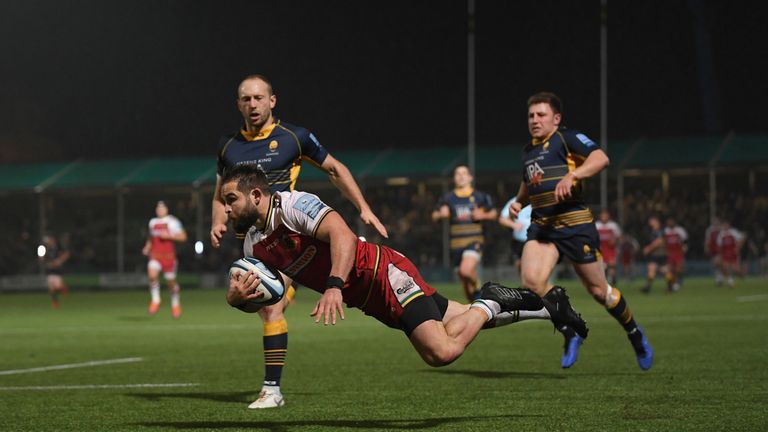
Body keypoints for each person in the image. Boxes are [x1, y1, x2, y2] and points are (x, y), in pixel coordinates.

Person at [220, 163, 588, 372]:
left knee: (440, 351)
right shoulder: (254, 243)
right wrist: (238, 299)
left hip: (382, 272)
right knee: (460, 321)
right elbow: (275, 294)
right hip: (369, 299)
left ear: (256, 195)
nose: (226, 209)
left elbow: (343, 236)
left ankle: (490, 297)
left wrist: (333, 285)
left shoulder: (294, 205)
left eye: (231, 200)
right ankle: (549, 307)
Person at [210, 74, 388, 409]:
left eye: (259, 98)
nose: (253, 105)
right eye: (246, 99)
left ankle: (271, 390)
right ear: (238, 104)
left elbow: (334, 169)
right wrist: (217, 222)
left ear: (272, 101)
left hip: (291, 236)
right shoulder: (227, 146)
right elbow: (221, 194)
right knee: (260, 307)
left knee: (271, 307)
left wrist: (363, 207)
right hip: (253, 244)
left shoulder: (294, 137)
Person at [507, 92, 652, 370]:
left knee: (600, 292)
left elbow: (601, 158)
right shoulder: (528, 151)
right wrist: (518, 201)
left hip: (575, 226)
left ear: (556, 118)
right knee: (532, 283)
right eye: (531, 115)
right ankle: (570, 329)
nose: (535, 120)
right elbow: (530, 183)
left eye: (541, 115)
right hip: (543, 228)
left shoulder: (566, 138)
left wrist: (574, 174)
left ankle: (634, 332)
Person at [432, 165, 497, 301]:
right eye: (457, 174)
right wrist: (440, 214)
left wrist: (483, 215)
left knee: (465, 271)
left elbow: (494, 213)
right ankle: (474, 305)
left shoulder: (480, 196)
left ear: (470, 177)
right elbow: (434, 215)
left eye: (464, 173)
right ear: (454, 178)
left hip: (474, 242)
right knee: (465, 282)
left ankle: (479, 288)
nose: (461, 176)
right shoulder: (448, 198)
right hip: (456, 244)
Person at [142, 200, 187, 318]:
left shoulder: (172, 221)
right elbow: (151, 237)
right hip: (155, 255)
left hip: (169, 257)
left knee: (171, 283)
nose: (160, 210)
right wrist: (147, 247)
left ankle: (175, 304)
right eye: (158, 208)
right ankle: (156, 300)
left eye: (162, 208)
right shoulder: (152, 222)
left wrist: (169, 236)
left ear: (167, 209)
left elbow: (183, 236)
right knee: (152, 275)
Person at [498, 197, 532, 276]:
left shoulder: (540, 197)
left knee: (533, 265)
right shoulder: (515, 201)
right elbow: (502, 219)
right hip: (519, 240)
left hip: (535, 239)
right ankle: (526, 285)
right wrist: (514, 225)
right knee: (520, 264)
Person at [41, 234, 70, 309]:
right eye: (47, 241)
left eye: (49, 241)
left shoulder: (59, 247)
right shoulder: (45, 249)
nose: (48, 242)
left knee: (58, 286)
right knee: (51, 287)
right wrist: (42, 259)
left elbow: (67, 254)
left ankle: (63, 288)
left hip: (57, 270)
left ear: (52, 240)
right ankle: (55, 302)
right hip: (49, 270)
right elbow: (42, 259)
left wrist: (59, 261)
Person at [595, 209, 622, 286]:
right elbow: (592, 237)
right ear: (600, 216)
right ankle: (609, 280)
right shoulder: (597, 225)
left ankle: (612, 280)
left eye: (605, 215)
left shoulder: (613, 226)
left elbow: (619, 237)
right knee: (603, 267)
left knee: (612, 265)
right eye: (602, 215)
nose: (604, 217)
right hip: (600, 250)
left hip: (611, 250)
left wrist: (615, 241)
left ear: (608, 216)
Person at [641, 215, 667, 294]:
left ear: (656, 222)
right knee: (653, 269)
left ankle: (672, 284)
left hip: (660, 253)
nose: (650, 223)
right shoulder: (652, 231)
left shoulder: (660, 231)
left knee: (663, 271)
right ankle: (647, 287)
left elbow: (659, 241)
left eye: (652, 221)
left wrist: (648, 248)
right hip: (655, 254)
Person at [717, 219, 745, 288]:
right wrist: (720, 254)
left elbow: (742, 237)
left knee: (736, 270)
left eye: (726, 225)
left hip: (734, 253)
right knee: (726, 267)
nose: (725, 226)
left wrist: (738, 248)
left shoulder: (733, 232)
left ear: (729, 225)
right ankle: (730, 281)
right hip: (726, 254)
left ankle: (741, 274)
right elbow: (719, 245)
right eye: (724, 225)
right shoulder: (721, 234)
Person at [663, 217, 688, 292]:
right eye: (668, 222)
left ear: (674, 222)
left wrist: (685, 247)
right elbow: (664, 241)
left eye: (670, 221)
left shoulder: (680, 230)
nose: (669, 223)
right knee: (671, 269)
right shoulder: (665, 230)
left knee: (679, 268)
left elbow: (685, 241)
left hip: (678, 253)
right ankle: (673, 283)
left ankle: (678, 281)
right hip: (670, 253)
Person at [704, 217, 724, 286]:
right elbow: (707, 239)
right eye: (714, 221)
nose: (715, 223)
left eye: (716, 221)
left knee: (718, 263)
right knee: (716, 264)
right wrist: (706, 247)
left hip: (721, 249)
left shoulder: (722, 229)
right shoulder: (710, 230)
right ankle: (719, 277)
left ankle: (719, 278)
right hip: (713, 249)